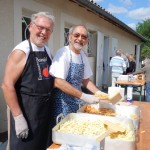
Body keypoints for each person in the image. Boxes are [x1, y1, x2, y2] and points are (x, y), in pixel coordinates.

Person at [1, 13, 105, 149]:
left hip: (44, 109)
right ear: (31, 27)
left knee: (44, 145)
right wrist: (18, 117)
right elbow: (7, 86)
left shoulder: (46, 51)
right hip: (26, 110)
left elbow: (82, 80)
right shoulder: (21, 51)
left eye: (48, 30)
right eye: (40, 27)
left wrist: (100, 94)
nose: (44, 32)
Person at [49, 25, 108, 127]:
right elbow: (58, 82)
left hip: (76, 101)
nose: (80, 39)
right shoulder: (63, 53)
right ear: (70, 37)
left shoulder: (82, 55)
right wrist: (84, 96)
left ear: (86, 41)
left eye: (84, 37)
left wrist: (99, 93)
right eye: (77, 35)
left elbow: (85, 80)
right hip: (62, 104)